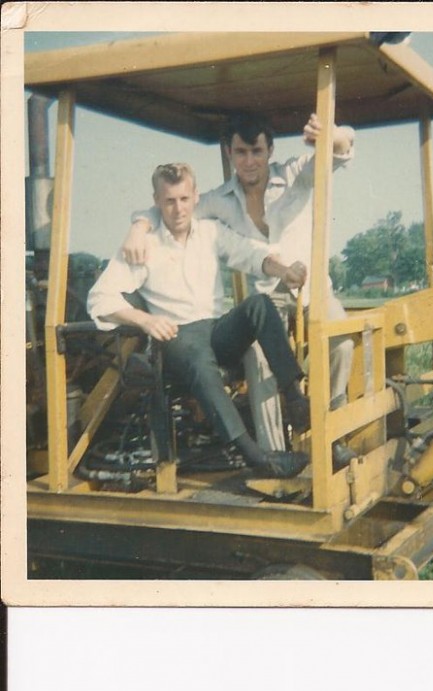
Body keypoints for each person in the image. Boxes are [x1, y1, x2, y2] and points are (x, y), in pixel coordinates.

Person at [122, 114, 356, 468]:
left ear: (270, 151)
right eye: (241, 152)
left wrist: (332, 134)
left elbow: (341, 150)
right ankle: (276, 454)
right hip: (265, 301)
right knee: (257, 358)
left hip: (312, 291)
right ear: (229, 153)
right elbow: (171, 208)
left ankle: (334, 435)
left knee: (342, 340)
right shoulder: (217, 200)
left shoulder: (296, 174)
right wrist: (138, 227)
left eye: (257, 151)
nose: (250, 161)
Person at [87, 162, 312, 479]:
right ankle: (256, 456)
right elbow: (99, 299)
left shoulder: (210, 232)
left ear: (195, 197)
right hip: (176, 337)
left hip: (215, 330)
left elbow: (250, 253)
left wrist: (284, 270)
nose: (178, 209)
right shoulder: (143, 246)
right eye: (169, 201)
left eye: (183, 199)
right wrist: (144, 320)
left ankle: (295, 397)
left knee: (259, 304)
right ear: (157, 201)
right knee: (195, 355)